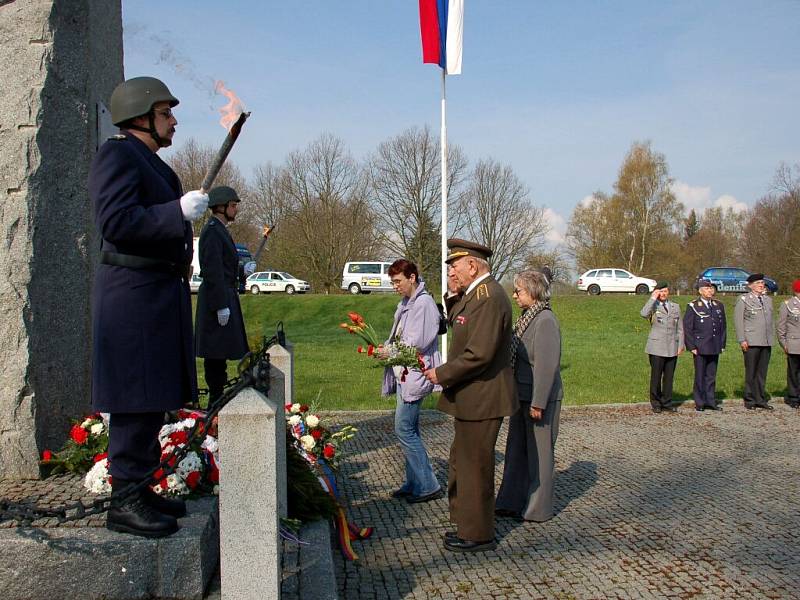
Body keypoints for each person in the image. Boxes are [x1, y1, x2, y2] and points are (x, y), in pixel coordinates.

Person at [89, 76, 208, 537]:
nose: (173, 120)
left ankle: (139, 486)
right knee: (133, 399)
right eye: (165, 113)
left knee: (152, 397)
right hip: (133, 296)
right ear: (140, 117)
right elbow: (116, 221)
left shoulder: (157, 165)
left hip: (156, 296)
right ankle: (124, 500)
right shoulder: (117, 154)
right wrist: (174, 213)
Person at [423, 239, 517, 553]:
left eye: (454, 266)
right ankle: (466, 522)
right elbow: (459, 323)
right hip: (472, 396)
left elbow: (480, 354)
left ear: (472, 265)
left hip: (484, 396)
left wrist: (442, 373)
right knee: (461, 461)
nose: (451, 271)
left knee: (475, 465)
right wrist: (452, 294)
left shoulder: (489, 297)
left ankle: (478, 534)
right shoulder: (475, 294)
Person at [495, 269, 562, 522]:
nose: (514, 295)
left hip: (537, 400)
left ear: (533, 292)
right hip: (520, 396)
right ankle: (510, 501)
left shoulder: (545, 320)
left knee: (540, 456)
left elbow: (546, 365)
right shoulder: (527, 317)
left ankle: (538, 508)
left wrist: (538, 402)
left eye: (519, 291)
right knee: (516, 451)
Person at [379, 260, 443, 503]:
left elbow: (417, 342)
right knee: (410, 429)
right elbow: (398, 336)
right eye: (392, 282)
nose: (395, 286)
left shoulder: (424, 304)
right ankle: (415, 481)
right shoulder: (407, 302)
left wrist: (389, 352)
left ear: (412, 277)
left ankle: (428, 485)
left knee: (403, 428)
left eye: (398, 281)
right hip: (404, 373)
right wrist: (385, 348)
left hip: (415, 373)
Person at [195, 186, 250, 403]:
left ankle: (218, 398)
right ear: (221, 207)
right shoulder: (212, 230)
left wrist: (241, 271)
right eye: (233, 206)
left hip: (224, 294)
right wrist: (220, 304)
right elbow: (212, 270)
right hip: (216, 298)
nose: (235, 210)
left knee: (221, 353)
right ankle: (215, 400)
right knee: (215, 354)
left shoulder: (220, 230)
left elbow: (224, 265)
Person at [683, 279, 727, 412]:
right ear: (700, 291)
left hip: (714, 345)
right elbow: (688, 328)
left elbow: (723, 327)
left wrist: (722, 343)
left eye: (711, 288)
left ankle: (711, 401)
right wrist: (691, 346)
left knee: (711, 375)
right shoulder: (693, 306)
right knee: (700, 375)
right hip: (700, 345)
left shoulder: (718, 305)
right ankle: (700, 402)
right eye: (707, 289)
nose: (710, 291)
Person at [640, 281, 684, 413]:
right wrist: (652, 298)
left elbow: (680, 328)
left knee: (669, 376)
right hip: (656, 346)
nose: (663, 294)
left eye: (665, 291)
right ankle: (656, 402)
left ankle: (667, 401)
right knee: (656, 376)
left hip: (672, 346)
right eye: (660, 291)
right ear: (656, 292)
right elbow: (643, 313)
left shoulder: (675, 306)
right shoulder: (653, 306)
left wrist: (680, 344)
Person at [734, 273, 774, 410]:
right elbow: (738, 321)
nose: (761, 285)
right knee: (751, 371)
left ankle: (760, 399)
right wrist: (742, 339)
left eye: (762, 283)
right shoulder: (744, 299)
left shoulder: (767, 300)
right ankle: (750, 399)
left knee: (762, 372)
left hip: (766, 340)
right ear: (750, 286)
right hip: (751, 341)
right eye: (758, 283)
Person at [776, 279, 800, 409]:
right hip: (794, 344)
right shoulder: (788, 304)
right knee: (793, 372)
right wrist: (784, 343)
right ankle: (793, 397)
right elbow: (781, 326)